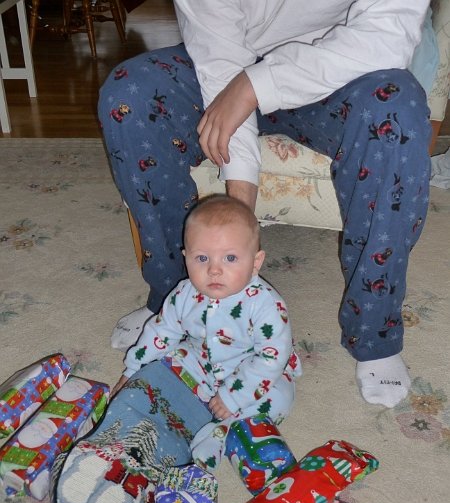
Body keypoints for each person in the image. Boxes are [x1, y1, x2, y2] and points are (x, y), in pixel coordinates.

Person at [98, 0, 432, 409]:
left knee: (399, 111)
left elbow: (387, 34)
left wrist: (254, 86)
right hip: (227, 69)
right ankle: (177, 299)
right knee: (128, 95)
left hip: (343, 67)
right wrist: (233, 240)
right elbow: (219, 58)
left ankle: (374, 330)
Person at [112, 196, 302, 467]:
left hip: (254, 370)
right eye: (202, 258)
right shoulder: (184, 294)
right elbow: (161, 332)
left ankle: (222, 432)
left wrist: (233, 396)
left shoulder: (266, 305)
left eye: (230, 258)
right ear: (186, 258)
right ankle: (163, 416)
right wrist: (132, 370)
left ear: (256, 262)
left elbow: (271, 358)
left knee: (279, 398)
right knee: (164, 365)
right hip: (200, 361)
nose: (214, 270)